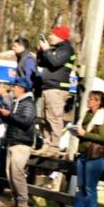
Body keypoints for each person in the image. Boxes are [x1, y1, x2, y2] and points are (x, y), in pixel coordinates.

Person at [62, 90, 104, 207]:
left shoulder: (103, 117)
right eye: (89, 98)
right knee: (81, 187)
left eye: (93, 99)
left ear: (99, 102)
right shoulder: (86, 115)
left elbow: (103, 137)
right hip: (83, 154)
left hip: (95, 156)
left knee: (90, 189)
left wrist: (85, 133)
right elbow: (84, 134)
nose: (89, 101)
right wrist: (77, 132)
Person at [0, 77, 36, 207]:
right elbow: (14, 120)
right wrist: (4, 115)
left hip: (22, 142)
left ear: (21, 88)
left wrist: (10, 115)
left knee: (17, 173)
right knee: (10, 173)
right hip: (13, 140)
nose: (12, 88)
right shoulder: (17, 102)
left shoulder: (28, 104)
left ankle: (23, 203)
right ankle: (15, 200)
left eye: (15, 86)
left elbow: (26, 122)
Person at [37, 26, 76, 156]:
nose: (50, 37)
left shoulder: (67, 49)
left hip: (57, 89)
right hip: (47, 88)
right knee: (44, 119)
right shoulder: (55, 50)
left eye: (52, 35)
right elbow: (42, 63)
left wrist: (47, 50)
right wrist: (40, 52)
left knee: (54, 118)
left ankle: (54, 147)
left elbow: (54, 62)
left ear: (60, 36)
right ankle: (46, 145)